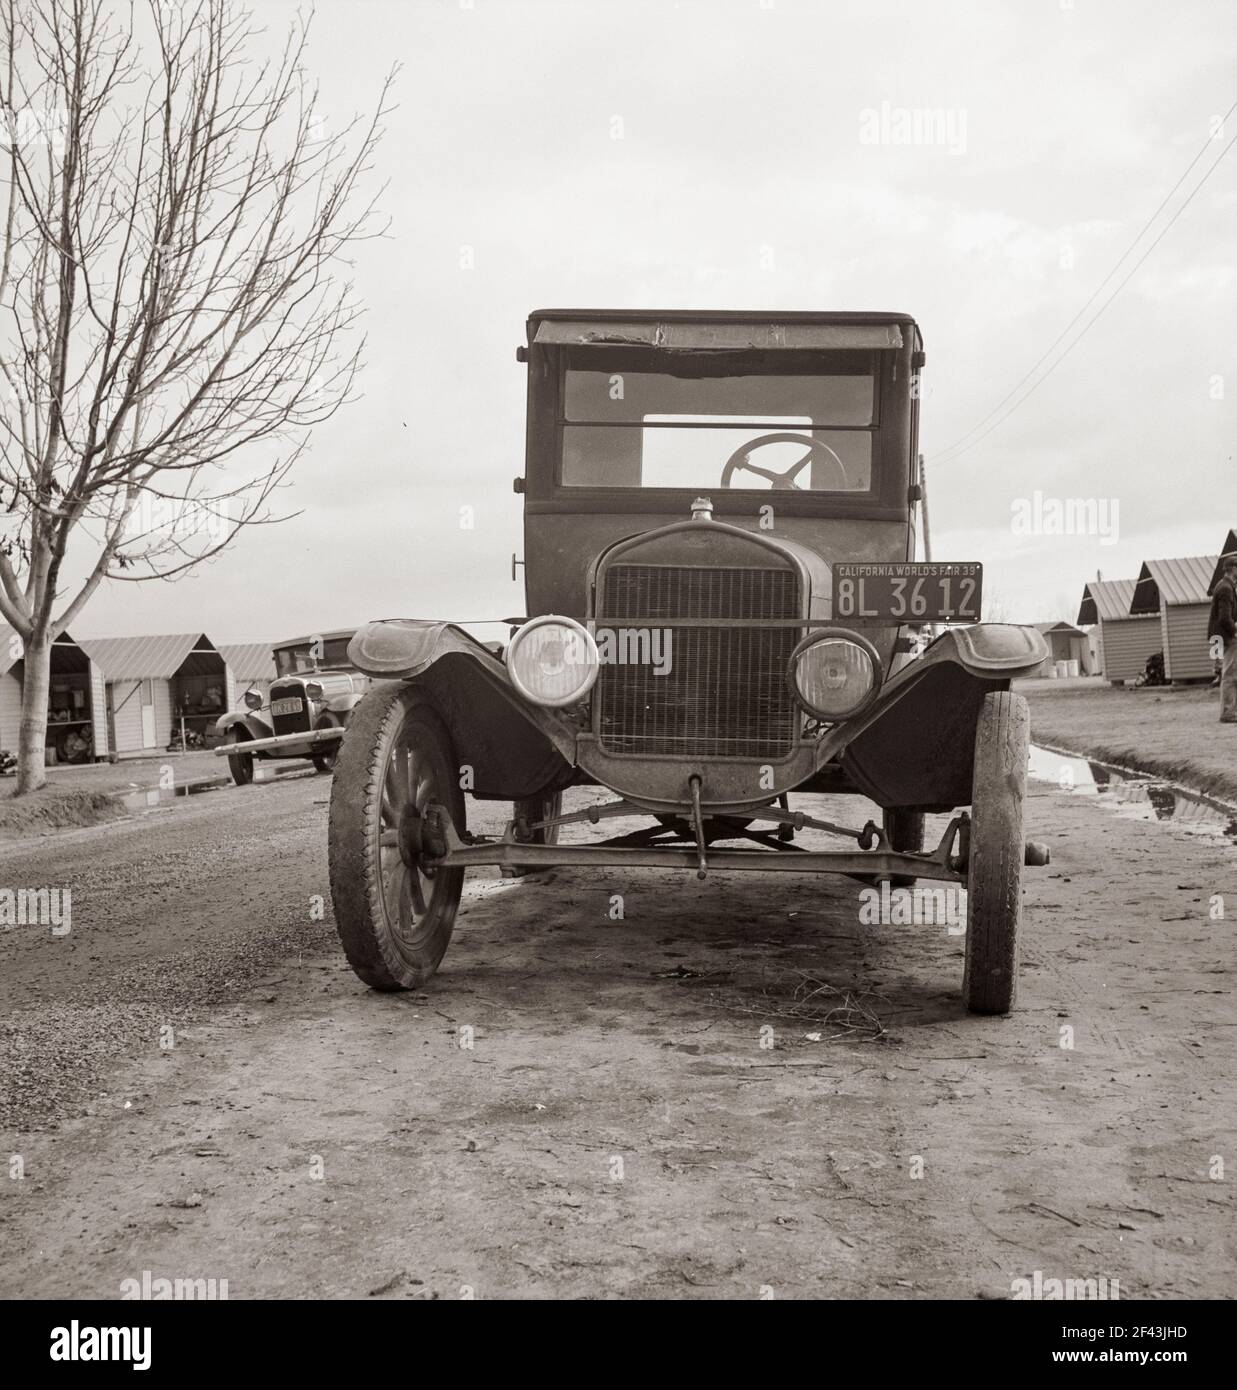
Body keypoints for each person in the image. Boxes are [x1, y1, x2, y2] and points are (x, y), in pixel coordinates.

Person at [1209, 554, 1237, 724]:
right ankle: (1228, 713)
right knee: (1230, 674)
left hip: (1219, 637)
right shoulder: (1226, 588)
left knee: (1227, 673)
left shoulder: (1225, 586)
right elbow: (1224, 618)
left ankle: (1230, 710)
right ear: (1233, 569)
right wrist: (1235, 630)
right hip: (1226, 637)